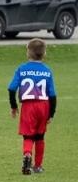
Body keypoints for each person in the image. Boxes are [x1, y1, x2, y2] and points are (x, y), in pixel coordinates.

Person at [9, 38, 57, 175]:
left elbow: (12, 89)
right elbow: (52, 95)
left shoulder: (22, 69)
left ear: (28, 52)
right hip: (44, 105)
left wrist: (13, 106)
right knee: (40, 137)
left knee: (28, 136)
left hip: (28, 106)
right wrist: (51, 114)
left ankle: (27, 154)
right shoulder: (47, 71)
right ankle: (38, 166)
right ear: (44, 53)